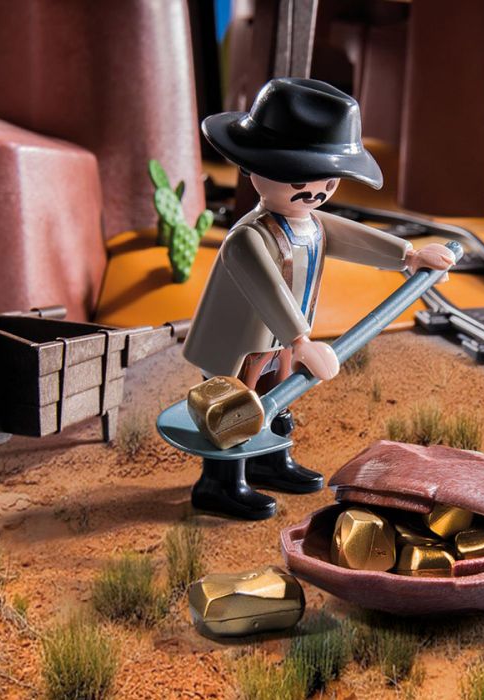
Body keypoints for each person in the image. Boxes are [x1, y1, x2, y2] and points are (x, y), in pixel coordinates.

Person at [182, 77, 455, 519]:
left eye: (327, 182)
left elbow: (353, 237)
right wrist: (300, 340)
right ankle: (220, 483)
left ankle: (271, 461)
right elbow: (268, 290)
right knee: (235, 410)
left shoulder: (312, 224)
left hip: (282, 343)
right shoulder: (247, 238)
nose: (313, 193)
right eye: (298, 179)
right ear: (252, 168)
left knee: (280, 398)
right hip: (241, 345)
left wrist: (407, 255)